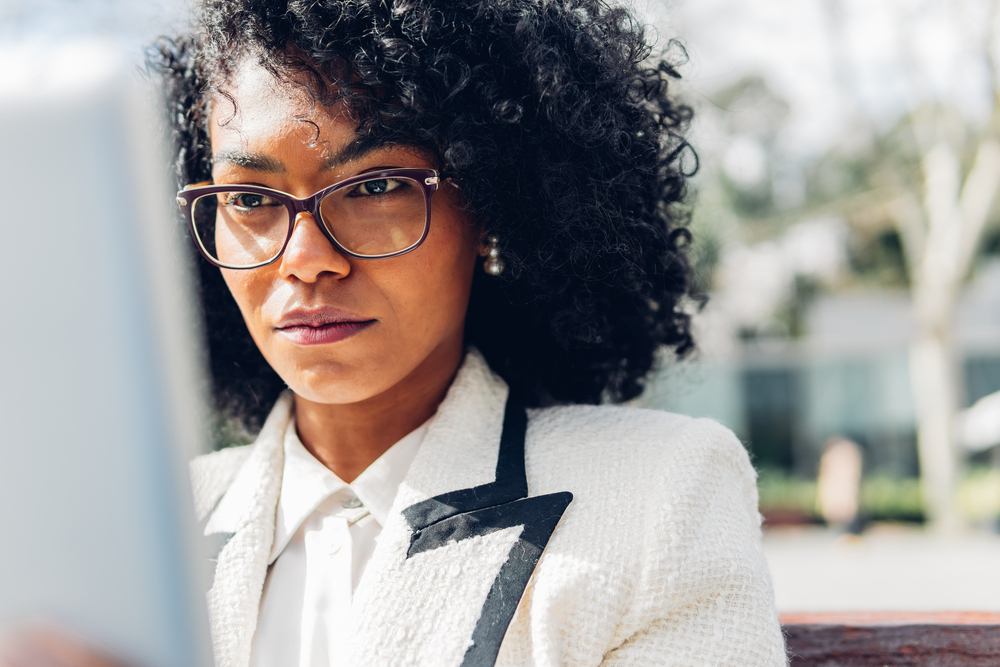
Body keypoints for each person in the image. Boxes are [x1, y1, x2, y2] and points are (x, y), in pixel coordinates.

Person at [148, 0, 787, 665]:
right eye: (248, 198)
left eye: (376, 186)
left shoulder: (659, 495)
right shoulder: (146, 527)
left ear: (490, 207)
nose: (305, 258)